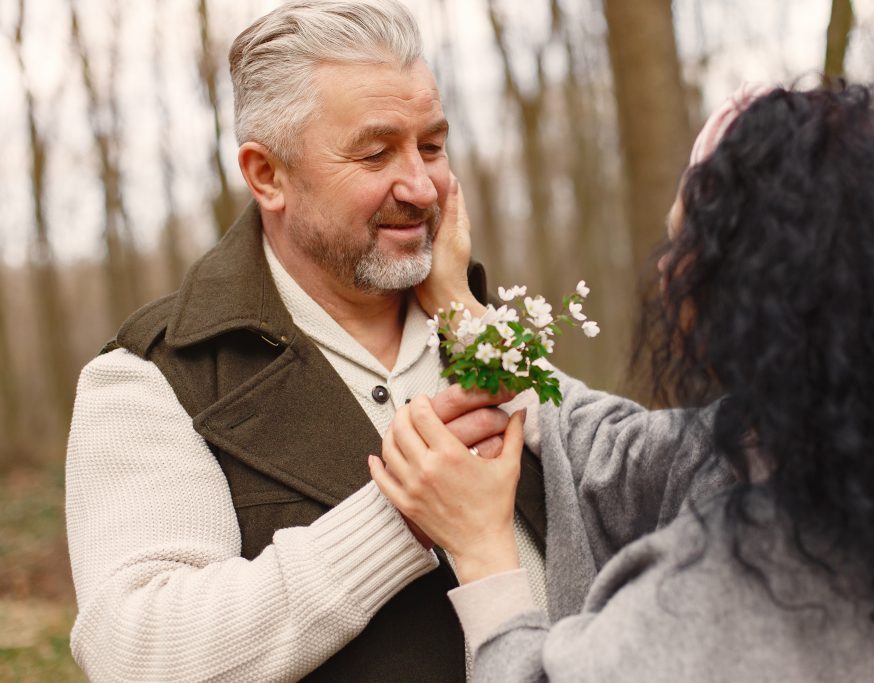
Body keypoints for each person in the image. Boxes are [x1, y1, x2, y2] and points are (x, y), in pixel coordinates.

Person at [370, 83, 874, 681]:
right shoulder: (861, 464)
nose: (665, 276)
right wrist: (462, 307)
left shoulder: (730, 588)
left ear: (755, 288)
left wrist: (482, 550)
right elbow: (620, 448)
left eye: (684, 247)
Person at [64, 1, 547, 680]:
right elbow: (139, 650)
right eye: (376, 153)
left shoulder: (487, 330)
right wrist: (402, 514)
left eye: (432, 146)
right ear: (267, 175)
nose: (420, 186)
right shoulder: (152, 380)